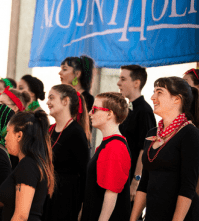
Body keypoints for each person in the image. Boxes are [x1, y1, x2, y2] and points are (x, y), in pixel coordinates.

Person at [130, 77, 199, 221]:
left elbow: (188, 187)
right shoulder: (152, 134)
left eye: (159, 92)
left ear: (177, 99)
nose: (152, 97)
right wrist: (133, 218)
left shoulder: (189, 133)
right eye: (154, 92)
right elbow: (145, 182)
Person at [43, 84, 90, 221]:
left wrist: (83, 206)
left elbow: (85, 174)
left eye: (52, 98)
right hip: (47, 196)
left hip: (66, 199)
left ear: (65, 101)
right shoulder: (49, 130)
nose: (48, 102)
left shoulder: (76, 132)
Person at [81, 92, 130, 221]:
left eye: (95, 109)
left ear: (109, 114)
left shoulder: (115, 146)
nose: (90, 113)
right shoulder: (108, 144)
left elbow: (111, 193)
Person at [0, 110, 55, 221]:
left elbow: (21, 216)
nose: (5, 137)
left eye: (8, 132)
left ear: (19, 136)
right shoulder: (29, 163)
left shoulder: (28, 165)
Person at [117, 65, 156, 205]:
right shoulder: (128, 108)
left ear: (136, 83)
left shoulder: (144, 111)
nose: (118, 83)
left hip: (131, 178)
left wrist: (136, 181)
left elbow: (144, 148)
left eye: (123, 79)